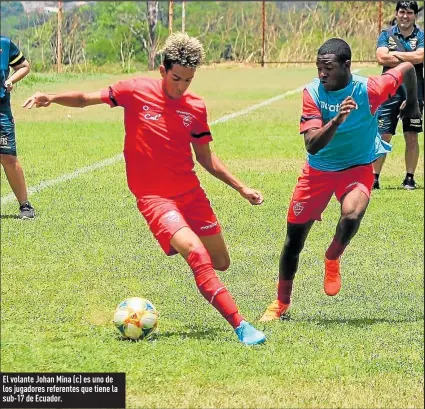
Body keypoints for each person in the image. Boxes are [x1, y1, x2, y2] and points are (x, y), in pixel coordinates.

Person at [23, 33, 266, 345]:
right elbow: (85, 99)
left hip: (191, 194)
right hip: (154, 198)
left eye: (188, 80)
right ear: (162, 70)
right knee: (196, 253)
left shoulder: (195, 108)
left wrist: (241, 188)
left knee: (220, 262)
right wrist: (53, 97)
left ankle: (181, 242)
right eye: (176, 78)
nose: (181, 87)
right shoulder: (135, 90)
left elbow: (205, 158)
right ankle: (242, 327)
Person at [260, 38, 421, 321]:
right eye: (319, 67)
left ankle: (332, 257)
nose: (322, 74)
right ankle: (280, 304)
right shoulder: (312, 93)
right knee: (293, 242)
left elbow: (408, 67)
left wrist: (412, 106)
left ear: (346, 66)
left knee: (351, 216)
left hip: (357, 168)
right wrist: (335, 121)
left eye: (328, 68)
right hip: (317, 173)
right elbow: (312, 145)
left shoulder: (369, 89)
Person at [373, 0, 424, 190]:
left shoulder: (421, 36)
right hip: (388, 93)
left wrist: (394, 54)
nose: (405, 16)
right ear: (396, 13)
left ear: (415, 16)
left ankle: (409, 178)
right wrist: (410, 56)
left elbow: (421, 57)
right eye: (402, 12)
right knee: (383, 134)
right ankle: (374, 177)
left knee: (412, 135)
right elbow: (380, 58)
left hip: (414, 92)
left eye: (410, 13)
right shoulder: (386, 34)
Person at [0, 36, 35, 218]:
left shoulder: (4, 44)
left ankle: (25, 205)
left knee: (8, 157)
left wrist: (11, 80)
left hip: (1, 109)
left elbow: (24, 66)